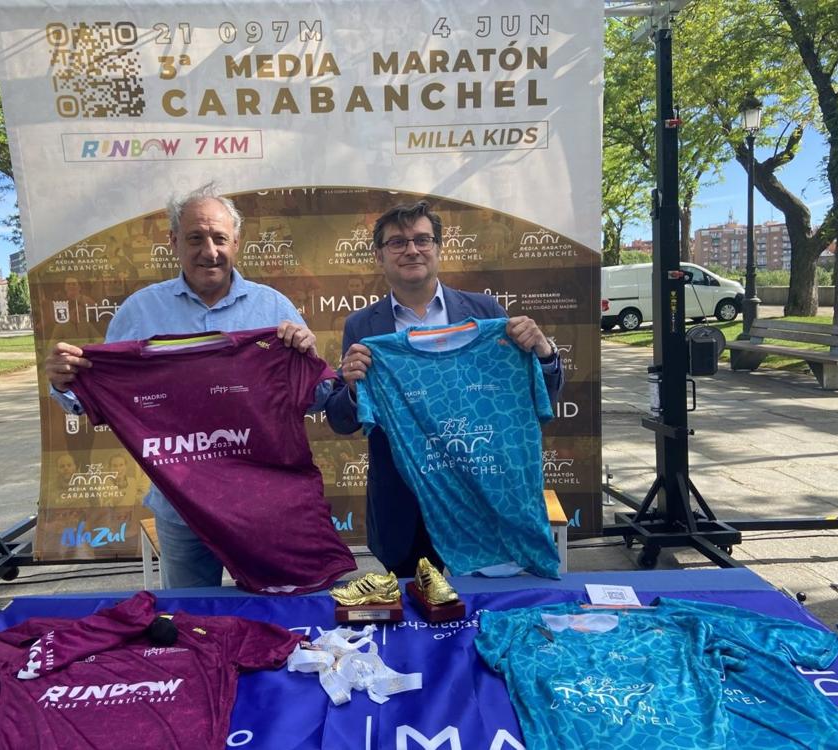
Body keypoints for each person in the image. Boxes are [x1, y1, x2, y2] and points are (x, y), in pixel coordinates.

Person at [44, 182, 334, 588]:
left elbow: (316, 400)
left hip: (263, 504)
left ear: (237, 243)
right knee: (190, 613)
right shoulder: (140, 311)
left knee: (275, 605)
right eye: (196, 238)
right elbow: (96, 397)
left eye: (220, 239)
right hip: (180, 509)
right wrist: (65, 382)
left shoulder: (274, 307)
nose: (209, 251)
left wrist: (307, 360)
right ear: (174, 241)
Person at [324, 200, 563, 577]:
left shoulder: (486, 313)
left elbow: (536, 399)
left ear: (438, 248)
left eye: (422, 239)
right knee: (415, 607)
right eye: (397, 242)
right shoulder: (363, 327)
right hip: (405, 506)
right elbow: (341, 421)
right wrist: (353, 388)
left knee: (488, 603)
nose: (412, 250)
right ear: (379, 255)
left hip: (483, 495)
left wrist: (544, 354)